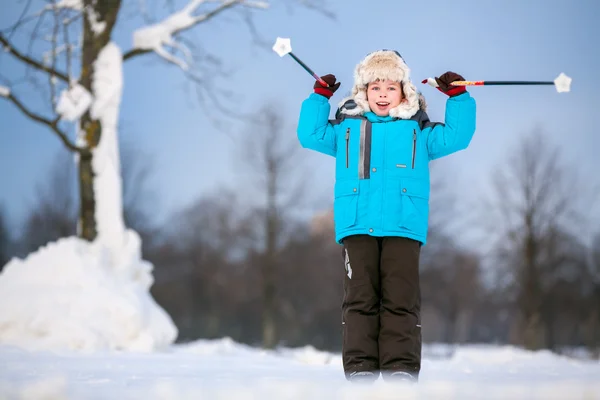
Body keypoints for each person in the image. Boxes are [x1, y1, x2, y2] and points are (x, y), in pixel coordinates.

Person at [296, 50, 476, 383]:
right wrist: (319, 97)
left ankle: (400, 370)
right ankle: (360, 370)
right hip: (356, 223)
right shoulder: (346, 126)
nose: (382, 94)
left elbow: (456, 137)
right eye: (374, 87)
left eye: (390, 87)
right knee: (360, 299)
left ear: (403, 91)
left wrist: (459, 97)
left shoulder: (418, 129)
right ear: (363, 91)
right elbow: (310, 135)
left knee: (400, 300)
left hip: (403, 225)